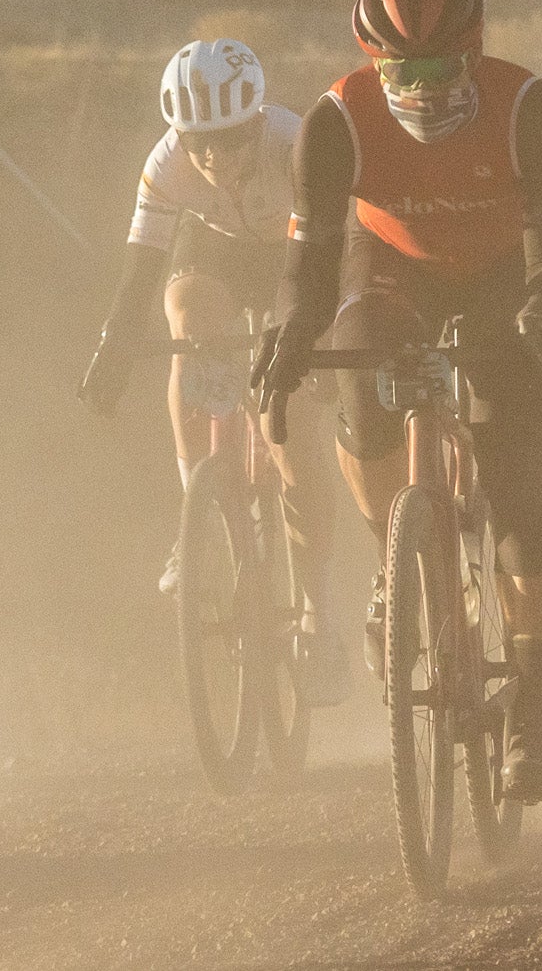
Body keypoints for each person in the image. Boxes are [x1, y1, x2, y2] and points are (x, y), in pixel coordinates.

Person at [251, 0, 542, 803]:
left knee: (516, 479)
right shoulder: (335, 122)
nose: (423, 91)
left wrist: (541, 321)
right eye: (400, 72)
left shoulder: (534, 110)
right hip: (389, 267)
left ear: (475, 53)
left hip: (502, 274)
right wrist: (292, 326)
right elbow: (310, 260)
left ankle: (534, 706)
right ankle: (397, 556)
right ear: (370, 63)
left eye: (440, 70)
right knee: (356, 387)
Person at [77, 38, 346, 705]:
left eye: (229, 140)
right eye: (199, 141)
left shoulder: (297, 142)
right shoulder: (166, 162)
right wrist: (113, 344)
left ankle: (317, 609)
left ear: (257, 122)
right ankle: (196, 509)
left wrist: (315, 337)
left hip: (296, 258)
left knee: (293, 439)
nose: (215, 157)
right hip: (217, 257)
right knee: (189, 325)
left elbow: (336, 249)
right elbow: (143, 264)